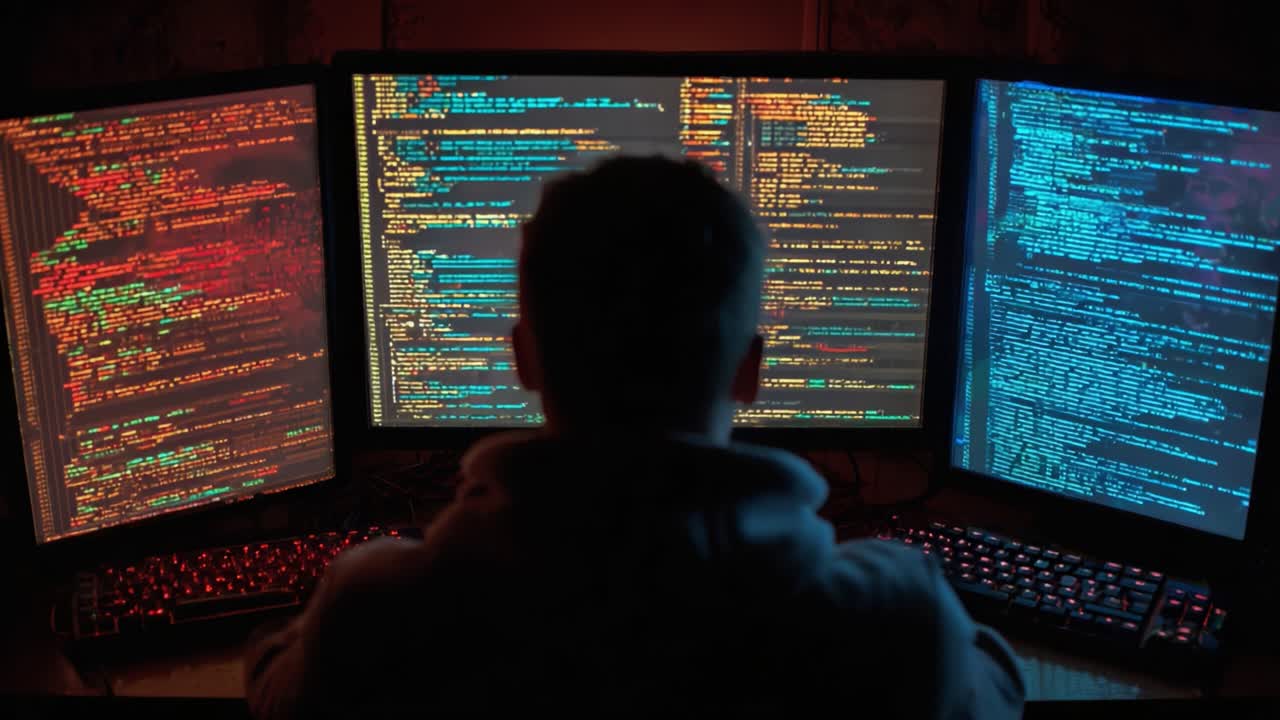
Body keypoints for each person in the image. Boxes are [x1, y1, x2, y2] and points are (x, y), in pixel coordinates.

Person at [244, 156, 1025, 718]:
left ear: (522, 358)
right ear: (751, 371)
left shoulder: (378, 613)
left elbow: (272, 681)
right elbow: (997, 689)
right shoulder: (892, 621)